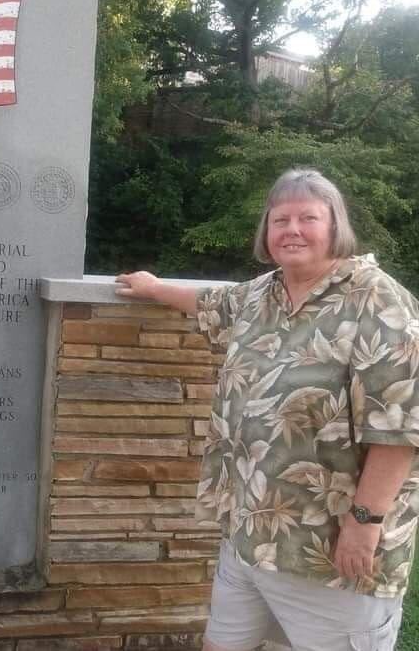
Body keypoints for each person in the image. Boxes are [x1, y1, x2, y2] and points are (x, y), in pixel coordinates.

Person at [116, 169, 419, 651]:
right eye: (281, 219)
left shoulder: (377, 301)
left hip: (329, 551)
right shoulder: (263, 294)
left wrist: (364, 524)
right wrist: (153, 287)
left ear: (335, 225)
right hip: (251, 536)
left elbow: (400, 425)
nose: (292, 229)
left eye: (307, 218)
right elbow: (210, 303)